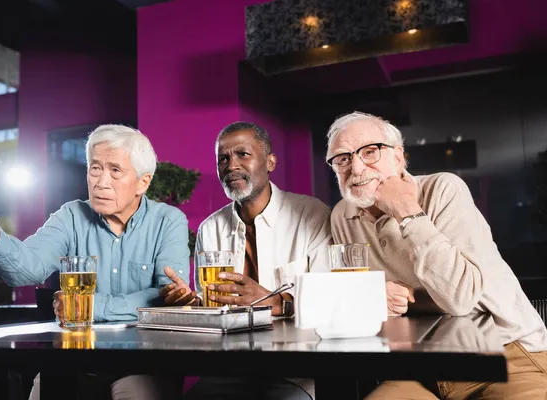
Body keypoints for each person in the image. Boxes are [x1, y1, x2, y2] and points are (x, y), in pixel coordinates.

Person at [0, 124, 188, 400]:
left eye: (115, 171)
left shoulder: (168, 221)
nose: (101, 181)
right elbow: (27, 269)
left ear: (143, 182)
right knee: (44, 389)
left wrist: (91, 305)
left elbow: (168, 297)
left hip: (142, 362)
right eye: (95, 168)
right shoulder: (71, 216)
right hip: (71, 359)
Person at [325, 111, 547, 399]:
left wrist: (406, 210)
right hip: (419, 367)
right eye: (342, 158)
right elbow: (358, 297)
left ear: (398, 158)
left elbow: (460, 298)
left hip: (505, 354)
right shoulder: (342, 215)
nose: (355, 168)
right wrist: (373, 295)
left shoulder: (443, 188)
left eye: (370, 152)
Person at [160, 121, 333, 399]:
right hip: (229, 372)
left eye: (243, 154)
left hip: (297, 373)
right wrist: (193, 306)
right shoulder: (210, 228)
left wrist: (276, 302)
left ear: (270, 162)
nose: (231, 165)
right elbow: (212, 309)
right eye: (223, 158)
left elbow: (332, 300)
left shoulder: (312, 215)